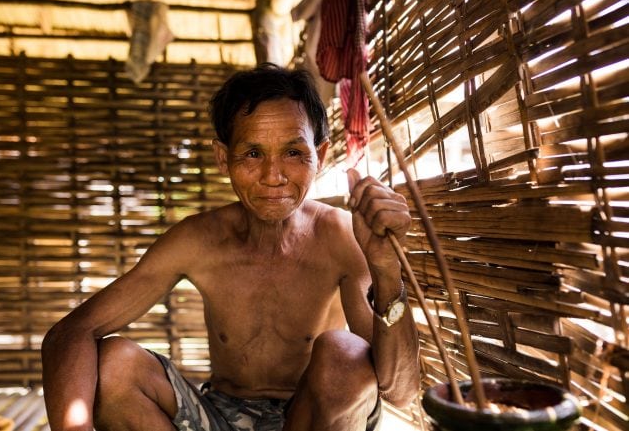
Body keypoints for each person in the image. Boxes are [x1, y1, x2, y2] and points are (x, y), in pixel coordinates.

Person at [41, 63, 420, 431]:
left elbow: (399, 391)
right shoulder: (199, 239)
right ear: (224, 158)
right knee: (113, 365)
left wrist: (387, 269)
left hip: (314, 419)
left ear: (319, 158)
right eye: (253, 154)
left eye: (293, 153)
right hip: (220, 418)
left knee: (346, 354)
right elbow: (73, 331)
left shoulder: (342, 238)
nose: (274, 176)